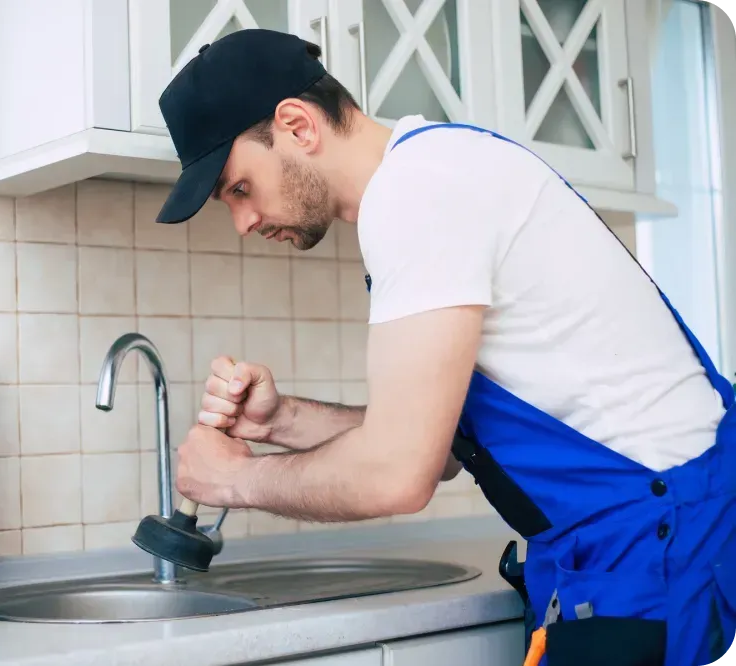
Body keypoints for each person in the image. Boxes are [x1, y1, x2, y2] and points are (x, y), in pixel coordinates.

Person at [153, 28, 735, 666]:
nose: (243, 221)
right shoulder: (433, 170)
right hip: (641, 543)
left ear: (297, 126)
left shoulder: (416, 194)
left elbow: (400, 474)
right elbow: (445, 449)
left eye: (238, 188)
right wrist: (281, 419)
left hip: (665, 550)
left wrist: (233, 479)